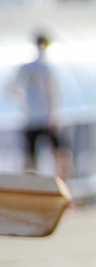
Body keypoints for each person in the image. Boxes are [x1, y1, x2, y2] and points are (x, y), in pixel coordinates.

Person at [6, 33, 72, 179]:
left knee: (35, 156)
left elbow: (12, 88)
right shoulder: (45, 67)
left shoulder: (27, 67)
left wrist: (23, 100)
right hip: (44, 119)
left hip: (33, 118)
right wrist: (53, 114)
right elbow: (52, 92)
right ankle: (61, 184)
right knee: (55, 154)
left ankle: (33, 186)